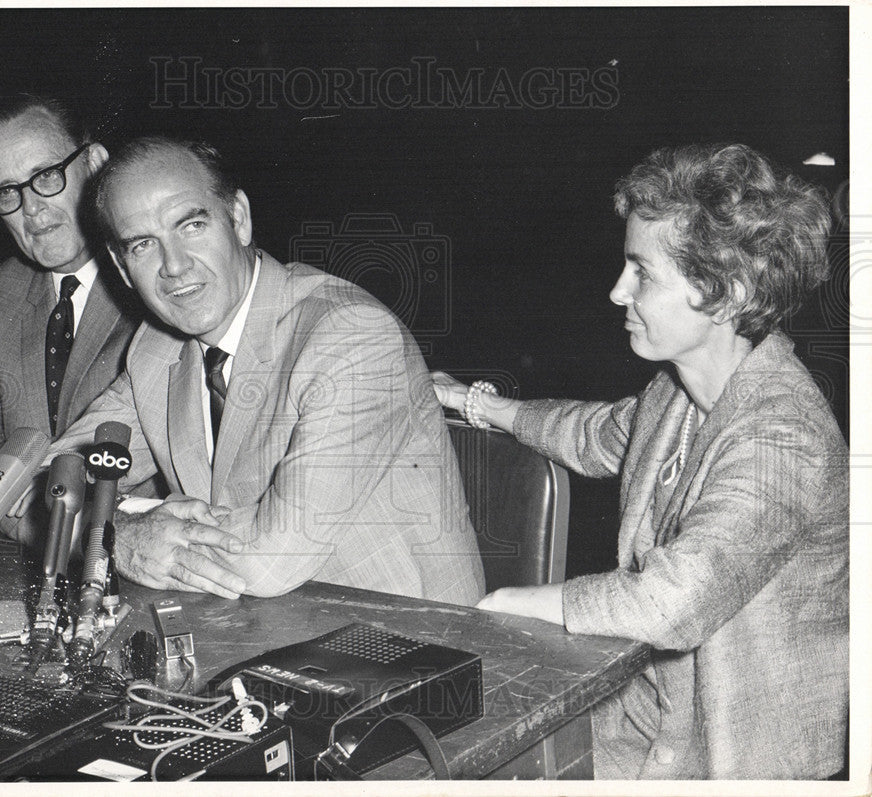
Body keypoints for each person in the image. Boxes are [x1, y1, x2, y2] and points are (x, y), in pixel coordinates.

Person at [433, 144, 848, 779]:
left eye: (642, 273)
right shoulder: (677, 396)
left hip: (742, 759)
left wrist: (514, 600)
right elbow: (593, 433)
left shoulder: (784, 436)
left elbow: (672, 602)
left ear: (725, 294)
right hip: (650, 724)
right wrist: (471, 402)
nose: (617, 290)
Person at [43, 135, 485, 605]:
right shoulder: (157, 348)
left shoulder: (351, 335)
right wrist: (122, 531)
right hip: (253, 632)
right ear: (121, 265)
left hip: (411, 645)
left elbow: (268, 563)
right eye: (143, 245)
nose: (173, 266)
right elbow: (43, 485)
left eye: (191, 225)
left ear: (239, 218)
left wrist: (102, 531)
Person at [0, 95, 143, 542]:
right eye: (7, 191)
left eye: (45, 176)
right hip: (26, 551)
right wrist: (54, 532)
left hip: (141, 552)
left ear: (96, 164)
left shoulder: (156, 284)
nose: (31, 208)